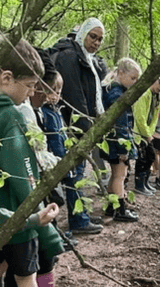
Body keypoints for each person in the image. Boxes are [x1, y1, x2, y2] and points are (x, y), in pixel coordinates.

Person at [0, 34, 63, 287]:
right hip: (17, 214)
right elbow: (24, 177)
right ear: (6, 77)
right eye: (30, 85)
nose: (32, 92)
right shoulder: (10, 115)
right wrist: (47, 230)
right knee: (26, 278)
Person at [52, 17, 106, 234]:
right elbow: (75, 95)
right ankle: (78, 220)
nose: (96, 42)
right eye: (93, 37)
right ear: (83, 33)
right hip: (70, 124)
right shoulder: (69, 56)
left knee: (79, 172)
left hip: (80, 123)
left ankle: (80, 214)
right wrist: (86, 128)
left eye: (100, 40)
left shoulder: (86, 58)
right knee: (74, 173)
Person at [100, 57, 141, 222]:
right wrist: (124, 148)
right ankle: (120, 209)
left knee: (115, 174)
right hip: (117, 141)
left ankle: (112, 206)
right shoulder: (117, 95)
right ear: (121, 73)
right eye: (133, 78)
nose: (135, 82)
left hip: (111, 140)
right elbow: (121, 124)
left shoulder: (111, 89)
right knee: (120, 175)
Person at [132, 71, 160, 195]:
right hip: (138, 132)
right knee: (142, 158)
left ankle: (145, 182)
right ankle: (139, 184)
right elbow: (140, 117)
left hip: (148, 133)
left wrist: (150, 132)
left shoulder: (157, 98)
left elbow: (154, 118)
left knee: (150, 157)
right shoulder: (144, 94)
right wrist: (147, 134)